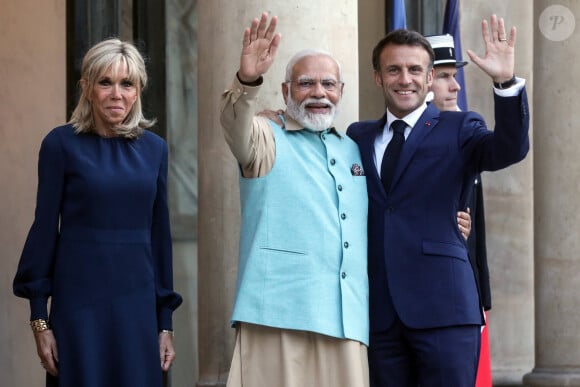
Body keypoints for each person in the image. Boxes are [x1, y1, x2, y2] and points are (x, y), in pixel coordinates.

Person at [346, 15, 529, 387]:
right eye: (393, 69)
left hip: (445, 309)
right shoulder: (357, 137)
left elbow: (509, 149)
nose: (405, 79)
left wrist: (504, 83)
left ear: (430, 78)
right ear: (378, 77)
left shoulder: (459, 128)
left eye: (415, 69)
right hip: (379, 314)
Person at [13, 38, 183, 387]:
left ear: (138, 91)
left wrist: (165, 323)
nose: (116, 93)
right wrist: (39, 322)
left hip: (137, 310)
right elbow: (45, 231)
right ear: (87, 88)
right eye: (105, 82)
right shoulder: (59, 145)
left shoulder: (155, 150)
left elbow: (159, 237)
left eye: (127, 84)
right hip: (79, 308)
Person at [220, 12, 370, 387]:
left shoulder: (354, 149)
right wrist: (248, 80)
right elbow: (235, 127)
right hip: (277, 314)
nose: (319, 92)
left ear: (341, 91)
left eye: (328, 84)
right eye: (305, 84)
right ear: (286, 92)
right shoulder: (266, 136)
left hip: (346, 317)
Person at [425, 33, 492, 313]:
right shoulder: (391, 139)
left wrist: (481, 294)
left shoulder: (465, 135)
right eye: (443, 76)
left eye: (454, 76)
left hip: (465, 288)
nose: (455, 87)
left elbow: (476, 230)